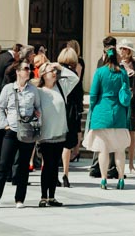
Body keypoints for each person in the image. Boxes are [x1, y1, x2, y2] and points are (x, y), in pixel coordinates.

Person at [0, 58, 42, 208]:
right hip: (11, 131)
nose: (29, 71)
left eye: (29, 68)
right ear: (18, 72)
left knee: (23, 166)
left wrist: (37, 118)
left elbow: (38, 108)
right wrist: (5, 124)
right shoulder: (8, 89)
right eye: (25, 68)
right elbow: (0, 108)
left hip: (27, 132)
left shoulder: (33, 90)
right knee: (4, 165)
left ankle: (20, 199)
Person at [83, 44, 132, 190]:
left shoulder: (99, 72)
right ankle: (121, 178)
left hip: (101, 113)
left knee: (103, 150)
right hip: (118, 113)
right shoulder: (122, 73)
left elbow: (93, 94)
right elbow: (127, 91)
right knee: (119, 149)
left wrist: (93, 107)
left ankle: (104, 179)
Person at [36, 58, 81, 206]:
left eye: (55, 71)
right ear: (43, 74)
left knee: (55, 165)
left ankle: (52, 196)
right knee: (47, 165)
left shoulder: (61, 87)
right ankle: (43, 196)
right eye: (51, 71)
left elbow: (75, 78)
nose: (54, 73)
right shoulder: (39, 91)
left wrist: (60, 67)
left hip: (60, 132)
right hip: (46, 134)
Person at [87, 36, 120, 178]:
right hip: (113, 107)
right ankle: (109, 168)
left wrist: (93, 106)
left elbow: (95, 90)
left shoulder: (102, 65)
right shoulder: (119, 67)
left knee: (101, 139)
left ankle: (100, 168)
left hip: (101, 105)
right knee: (112, 141)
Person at [0, 43, 21, 170]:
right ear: (16, 52)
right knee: (1, 129)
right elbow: (8, 78)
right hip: (1, 98)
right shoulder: (9, 60)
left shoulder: (1, 56)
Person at [57, 46, 83, 186]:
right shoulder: (73, 75)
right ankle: (65, 174)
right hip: (70, 111)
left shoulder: (55, 72)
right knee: (67, 145)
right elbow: (79, 96)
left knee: (53, 141)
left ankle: (51, 171)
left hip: (57, 108)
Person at [118, 41, 135, 176]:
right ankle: (119, 163)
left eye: (124, 49)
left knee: (132, 133)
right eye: (121, 48)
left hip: (132, 102)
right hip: (121, 102)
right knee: (121, 133)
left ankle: (131, 164)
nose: (121, 51)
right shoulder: (117, 65)